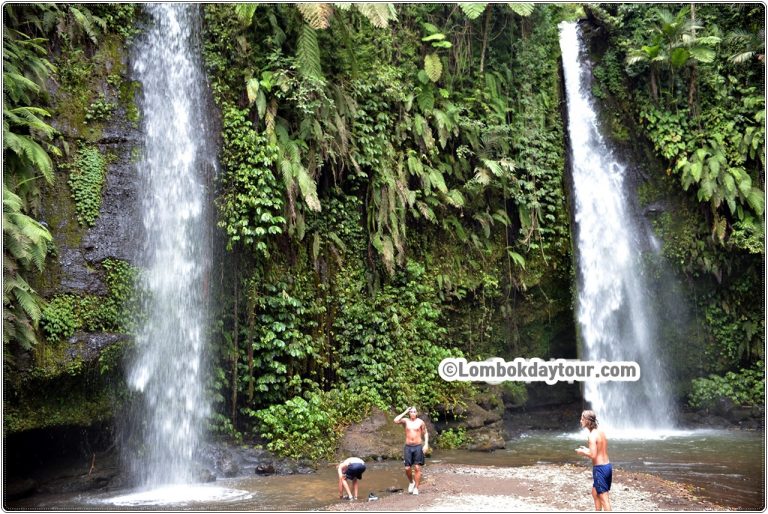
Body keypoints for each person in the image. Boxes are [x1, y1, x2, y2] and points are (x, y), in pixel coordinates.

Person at [575, 410, 612, 511]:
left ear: (587, 421)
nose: (580, 421)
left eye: (582, 419)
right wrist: (586, 449)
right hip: (607, 466)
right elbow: (599, 450)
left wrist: (581, 452)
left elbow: (593, 455)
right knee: (595, 493)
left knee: (604, 499)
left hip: (600, 469)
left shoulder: (591, 436)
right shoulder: (601, 432)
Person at [394, 406, 429, 495]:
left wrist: (426, 444)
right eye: (411, 411)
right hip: (408, 447)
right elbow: (395, 420)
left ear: (416, 413)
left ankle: (416, 488)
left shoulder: (420, 422)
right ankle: (411, 482)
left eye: (414, 411)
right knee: (407, 468)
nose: (413, 413)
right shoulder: (406, 421)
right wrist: (405, 411)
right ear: (409, 413)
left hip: (417, 446)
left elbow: (425, 433)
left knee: (417, 467)